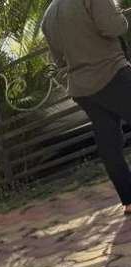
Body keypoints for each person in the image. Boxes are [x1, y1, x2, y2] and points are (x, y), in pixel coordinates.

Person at [43, 0, 131, 212]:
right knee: (110, 138)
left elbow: (59, 61)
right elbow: (114, 27)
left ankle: (128, 200)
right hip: (111, 73)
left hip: (83, 89)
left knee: (109, 140)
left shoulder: (49, 15)